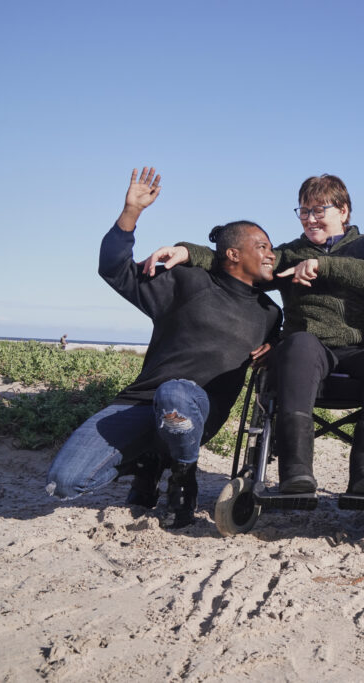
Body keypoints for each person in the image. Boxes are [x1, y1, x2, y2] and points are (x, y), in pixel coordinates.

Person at [46, 168, 283, 529]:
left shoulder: (270, 312)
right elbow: (114, 269)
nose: (271, 254)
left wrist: (275, 350)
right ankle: (150, 460)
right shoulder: (187, 281)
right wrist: (131, 213)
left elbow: (282, 349)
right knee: (64, 483)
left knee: (176, 393)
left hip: (198, 411)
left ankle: (182, 476)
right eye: (262, 247)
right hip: (140, 403)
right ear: (233, 254)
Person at [146, 174, 364, 497]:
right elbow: (239, 261)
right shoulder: (289, 255)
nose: (310, 219)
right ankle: (296, 472)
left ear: (344, 211)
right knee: (299, 343)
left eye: (318, 210)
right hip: (310, 356)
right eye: (303, 211)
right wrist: (188, 253)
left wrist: (322, 266)